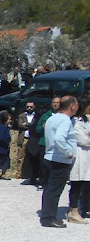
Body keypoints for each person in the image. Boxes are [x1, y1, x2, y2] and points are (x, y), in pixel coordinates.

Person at [40, 95, 78, 228]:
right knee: (54, 191)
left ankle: (46, 214)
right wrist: (69, 152)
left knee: (49, 189)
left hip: (49, 157)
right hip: (59, 160)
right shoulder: (65, 120)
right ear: (72, 106)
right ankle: (49, 218)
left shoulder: (52, 118)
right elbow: (59, 139)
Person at [67, 99, 90, 223]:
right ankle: (73, 210)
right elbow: (83, 140)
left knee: (88, 185)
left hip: (88, 156)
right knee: (77, 184)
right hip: (80, 157)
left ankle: (86, 208)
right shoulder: (76, 122)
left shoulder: (86, 121)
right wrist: (87, 137)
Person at [35, 96, 61, 189]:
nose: (55, 104)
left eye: (57, 103)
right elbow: (36, 129)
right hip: (44, 143)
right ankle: (43, 182)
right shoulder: (46, 115)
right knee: (43, 163)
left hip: (58, 144)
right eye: (54, 102)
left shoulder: (63, 116)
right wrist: (42, 127)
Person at [15, 101, 37, 179]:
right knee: (20, 157)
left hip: (33, 139)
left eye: (31, 107)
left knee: (32, 157)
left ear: (34, 107)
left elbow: (36, 125)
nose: (29, 108)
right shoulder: (21, 116)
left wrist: (26, 124)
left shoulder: (36, 116)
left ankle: (31, 174)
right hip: (23, 139)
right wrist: (31, 125)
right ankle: (19, 174)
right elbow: (20, 125)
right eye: (27, 107)